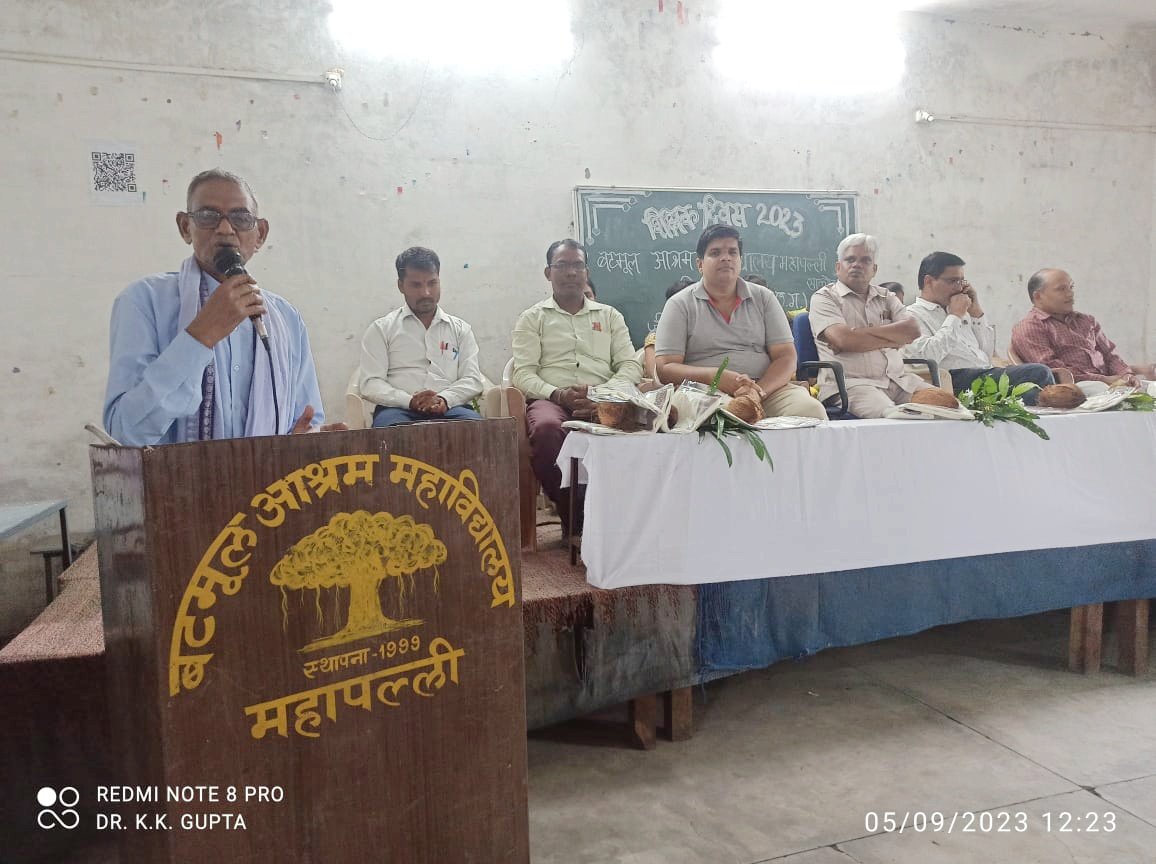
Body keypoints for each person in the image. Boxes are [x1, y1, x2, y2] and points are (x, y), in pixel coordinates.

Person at [104, 168, 340, 447]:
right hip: (175, 476)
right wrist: (200, 337)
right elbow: (125, 432)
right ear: (185, 227)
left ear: (260, 234)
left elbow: (306, 420)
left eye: (241, 218)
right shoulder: (145, 301)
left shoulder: (285, 318)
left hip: (270, 475)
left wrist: (306, 439)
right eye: (208, 216)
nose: (225, 229)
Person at [512, 239, 641, 533]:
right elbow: (523, 374)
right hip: (552, 399)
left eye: (577, 265)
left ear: (586, 272)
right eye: (562, 265)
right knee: (546, 431)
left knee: (642, 427)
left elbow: (631, 365)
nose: (571, 272)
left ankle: (623, 522)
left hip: (604, 398)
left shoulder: (609, 316)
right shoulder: (532, 318)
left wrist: (602, 395)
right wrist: (558, 394)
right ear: (548, 273)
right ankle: (575, 520)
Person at [655, 225, 826, 419]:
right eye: (715, 253)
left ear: (740, 260)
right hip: (705, 391)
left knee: (811, 412)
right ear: (700, 264)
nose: (726, 258)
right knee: (730, 416)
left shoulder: (764, 298)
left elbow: (786, 357)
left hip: (764, 389)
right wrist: (715, 377)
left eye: (732, 252)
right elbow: (665, 368)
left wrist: (757, 393)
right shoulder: (679, 304)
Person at [807, 234, 933, 418]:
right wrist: (894, 339)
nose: (857, 265)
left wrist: (857, 336)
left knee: (948, 408)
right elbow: (844, 340)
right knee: (897, 417)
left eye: (865, 260)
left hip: (899, 381)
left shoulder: (887, 297)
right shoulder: (825, 298)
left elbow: (913, 330)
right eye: (850, 259)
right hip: (852, 385)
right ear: (838, 267)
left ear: (874, 269)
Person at [357, 247, 484, 427]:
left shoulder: (460, 330)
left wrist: (444, 399)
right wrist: (409, 401)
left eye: (432, 283)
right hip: (397, 410)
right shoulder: (381, 330)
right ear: (401, 285)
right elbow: (370, 383)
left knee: (478, 430)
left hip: (451, 408)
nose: (426, 292)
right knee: (389, 434)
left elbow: (472, 379)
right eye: (416, 285)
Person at [906, 252, 1052, 404]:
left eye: (962, 281)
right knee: (1038, 372)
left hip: (983, 373)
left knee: (1032, 391)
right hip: (953, 380)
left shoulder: (960, 310)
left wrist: (976, 312)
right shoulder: (911, 315)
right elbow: (926, 357)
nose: (959, 287)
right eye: (953, 281)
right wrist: (955, 316)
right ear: (929, 281)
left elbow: (986, 354)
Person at [1011, 269, 1156, 395]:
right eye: (1061, 289)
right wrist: (1105, 380)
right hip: (1073, 388)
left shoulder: (1086, 320)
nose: (1070, 294)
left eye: (1071, 287)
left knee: (1151, 389)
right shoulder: (1029, 327)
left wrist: (1126, 375)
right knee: (1102, 389)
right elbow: (1054, 370)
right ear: (1038, 296)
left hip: (1110, 383)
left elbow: (1110, 355)